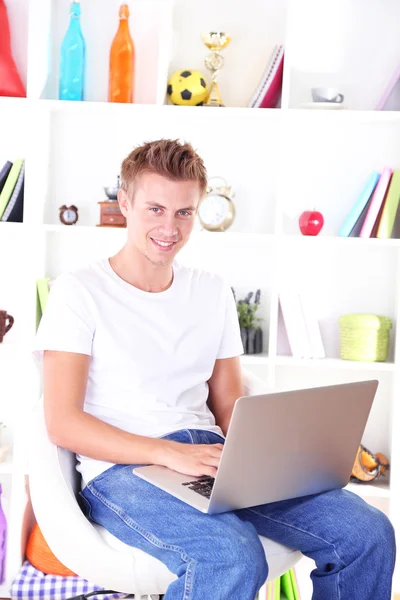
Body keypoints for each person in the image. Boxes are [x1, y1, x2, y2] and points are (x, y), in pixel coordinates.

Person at [33, 139, 396, 600]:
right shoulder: (78, 292)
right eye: (155, 209)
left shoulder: (211, 291)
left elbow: (229, 405)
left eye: (184, 212)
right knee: (231, 555)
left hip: (212, 458)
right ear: (124, 202)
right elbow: (62, 422)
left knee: (367, 532)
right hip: (124, 471)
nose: (169, 227)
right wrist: (167, 453)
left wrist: (288, 458)